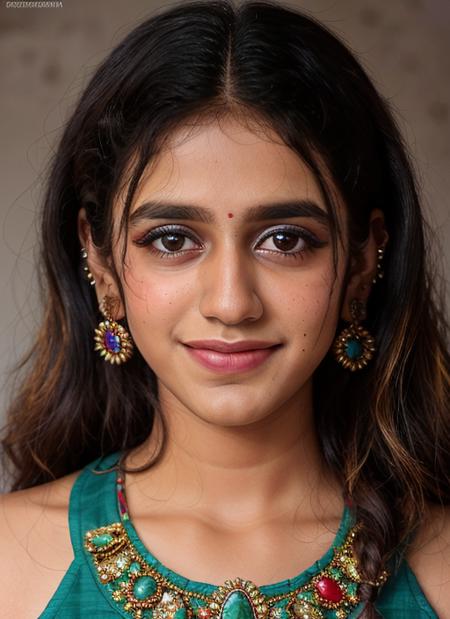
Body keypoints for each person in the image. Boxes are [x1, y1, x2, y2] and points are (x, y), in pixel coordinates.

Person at [0, 0, 449, 617]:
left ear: (363, 260)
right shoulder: (11, 561)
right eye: (173, 240)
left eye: (285, 240)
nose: (232, 303)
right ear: (99, 261)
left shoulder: (442, 567)